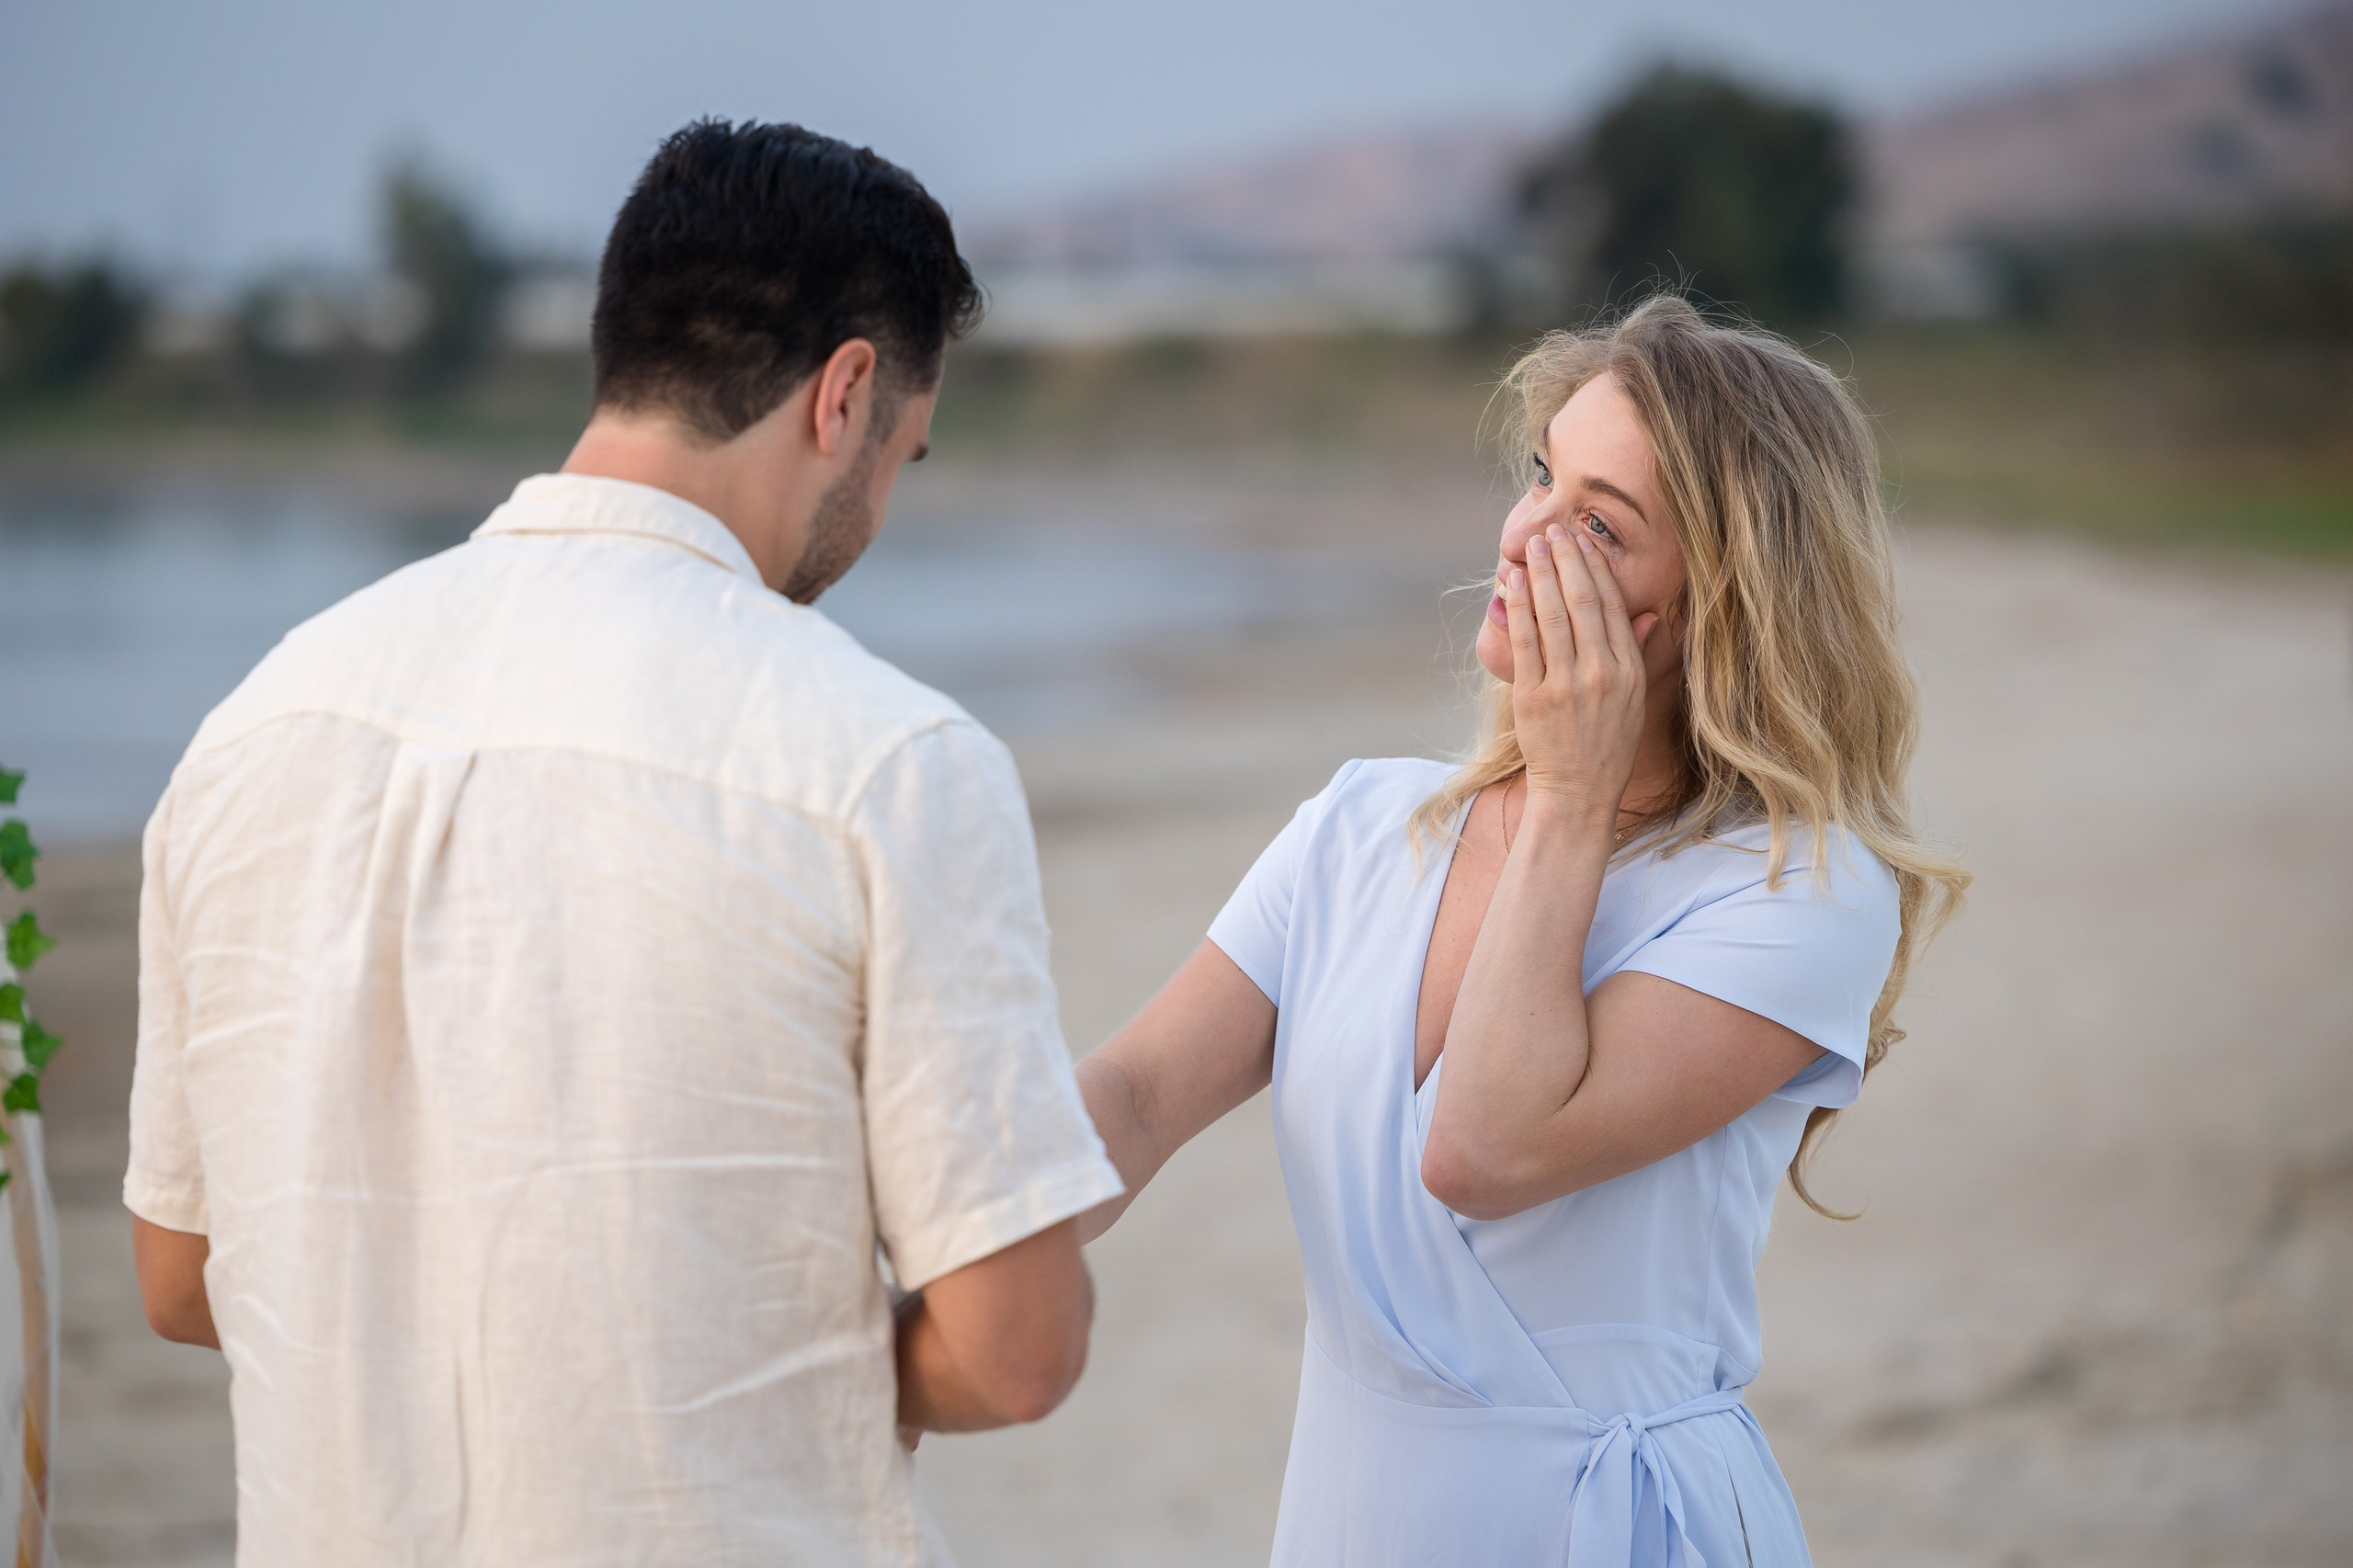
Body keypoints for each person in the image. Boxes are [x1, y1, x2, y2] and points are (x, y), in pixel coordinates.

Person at [126, 120, 1123, 1566]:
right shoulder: (888, 764)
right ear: (845, 394)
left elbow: (179, 1273)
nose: (887, 502)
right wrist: (736, 1372)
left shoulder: (253, 724)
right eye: (906, 448)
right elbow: (1019, 1343)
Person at [1076, 295, 1969, 1567]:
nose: (1525, 539)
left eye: (1599, 524)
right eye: (1539, 477)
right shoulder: (1359, 824)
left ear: (1716, 600)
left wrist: (1565, 795)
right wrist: (904, 1229)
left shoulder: (1802, 890)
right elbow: (1139, 1090)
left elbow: (1486, 1145)